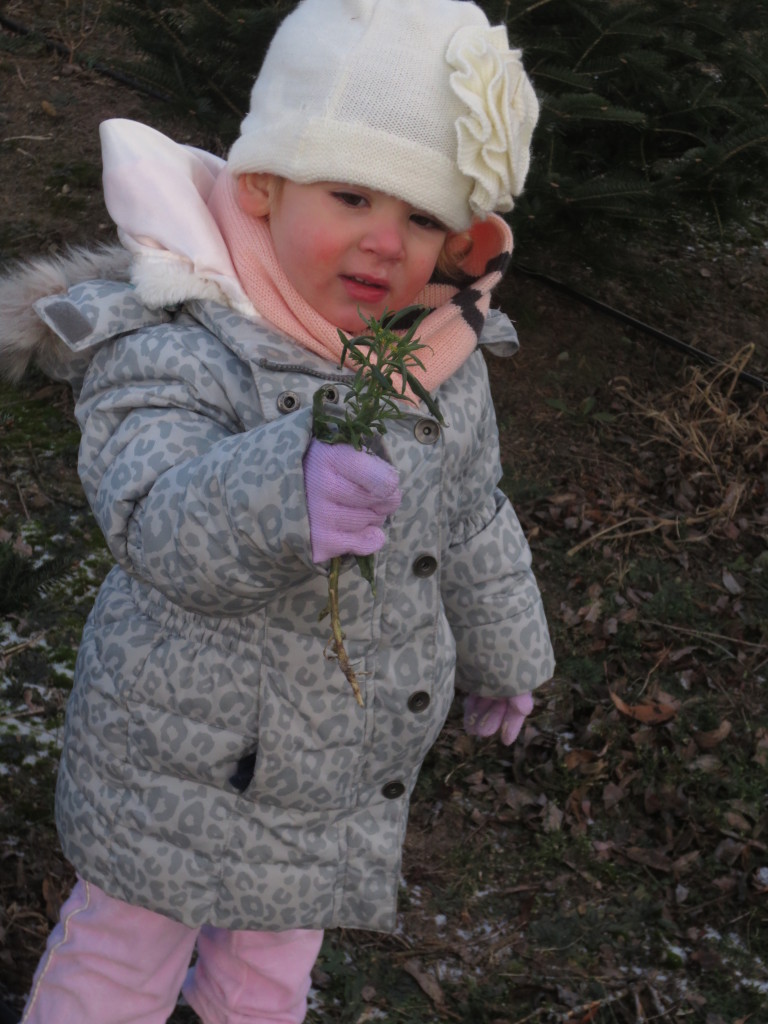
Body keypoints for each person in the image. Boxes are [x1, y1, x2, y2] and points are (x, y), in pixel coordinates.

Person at [1, 0, 554, 1021]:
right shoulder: (177, 331)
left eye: (423, 217)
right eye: (351, 195)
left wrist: (509, 651)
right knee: (119, 964)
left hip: (333, 761)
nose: (386, 243)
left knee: (266, 978)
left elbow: (472, 516)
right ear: (263, 184)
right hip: (175, 762)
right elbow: (155, 512)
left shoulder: (439, 356)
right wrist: (280, 488)